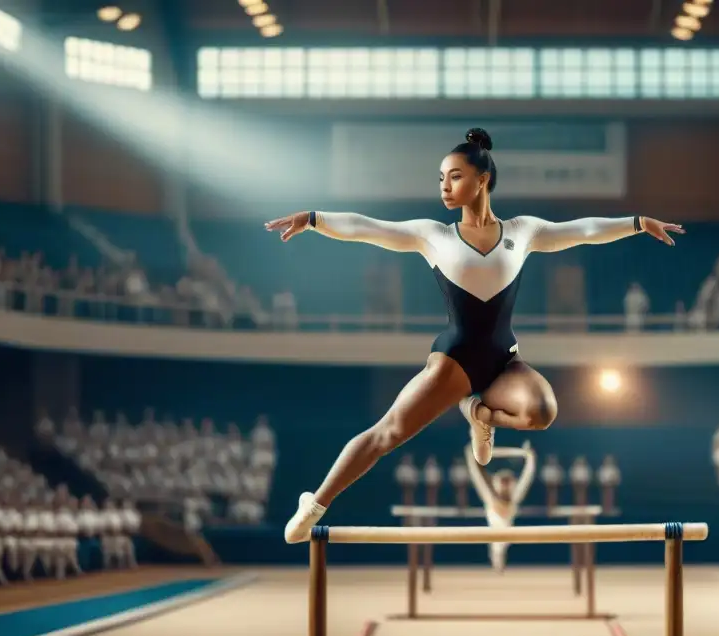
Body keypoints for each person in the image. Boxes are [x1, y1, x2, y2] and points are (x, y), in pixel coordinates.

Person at [267, 127, 684, 543]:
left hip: (506, 360)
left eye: (455, 177)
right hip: (455, 360)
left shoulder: (524, 231)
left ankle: (478, 414)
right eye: (442, 179)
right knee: (388, 433)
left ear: (482, 179)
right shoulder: (434, 235)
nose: (445, 187)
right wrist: (316, 220)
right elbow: (368, 227)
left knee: (541, 412)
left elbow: (583, 230)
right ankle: (314, 504)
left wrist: (636, 223)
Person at [466, 440, 537, 572]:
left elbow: (527, 477)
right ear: (496, 483)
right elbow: (478, 478)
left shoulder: (514, 496)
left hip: (505, 530)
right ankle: (497, 559)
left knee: (499, 547)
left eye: (507, 481)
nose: (505, 485)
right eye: (503, 482)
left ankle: (498, 559)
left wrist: (531, 458)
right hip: (496, 529)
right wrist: (470, 457)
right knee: (498, 547)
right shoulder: (491, 497)